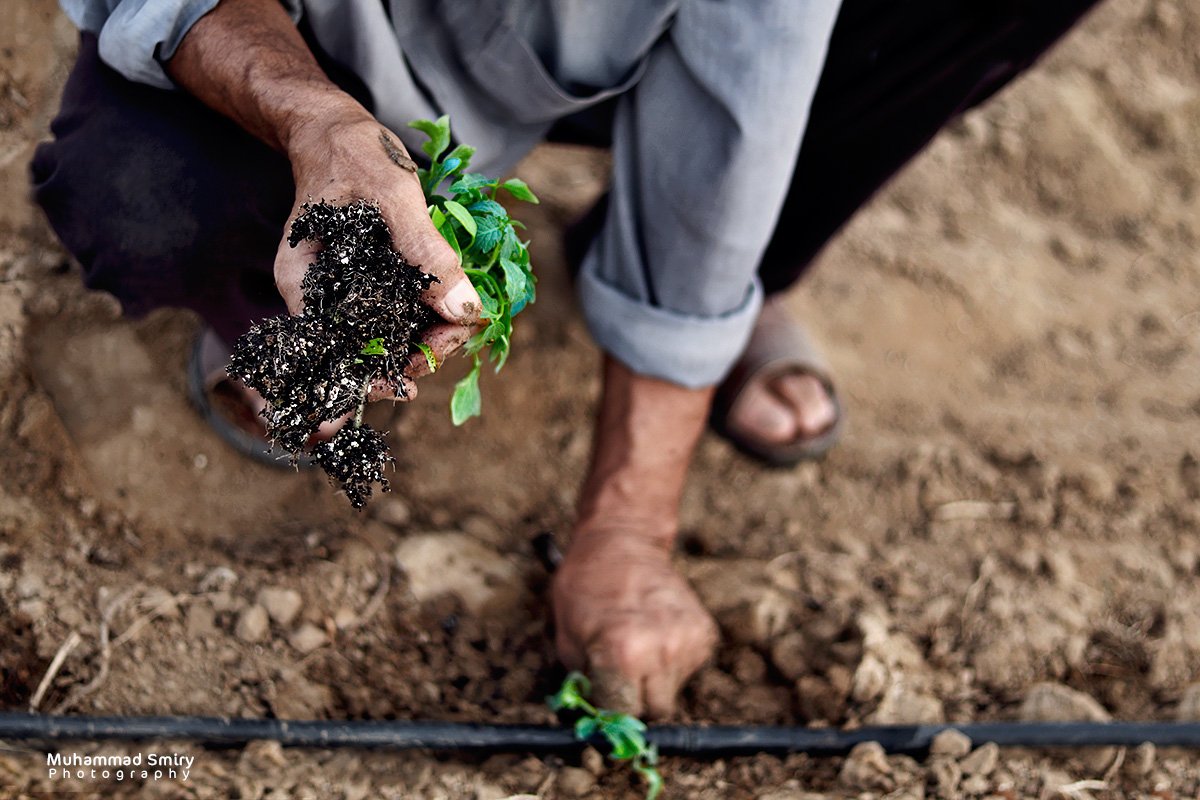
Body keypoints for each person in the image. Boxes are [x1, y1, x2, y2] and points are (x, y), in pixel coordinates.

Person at [33, 0, 1099, 716]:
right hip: (320, 40)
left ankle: (755, 269)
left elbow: (747, 89)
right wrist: (316, 122)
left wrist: (629, 530)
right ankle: (299, 285)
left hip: (618, 41)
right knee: (143, 190)